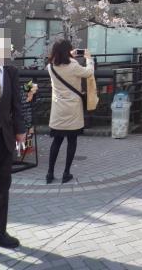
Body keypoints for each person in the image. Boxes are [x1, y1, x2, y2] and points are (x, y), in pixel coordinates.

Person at [0, 29, 26, 249]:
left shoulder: (10, 72)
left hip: (5, 139)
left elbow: (16, 104)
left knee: (3, 187)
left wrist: (21, 130)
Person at [46, 40, 94, 184]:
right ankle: (66, 173)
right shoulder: (73, 65)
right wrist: (89, 59)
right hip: (72, 109)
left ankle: (49, 173)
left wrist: (69, 55)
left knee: (56, 141)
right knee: (72, 141)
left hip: (58, 109)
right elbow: (89, 72)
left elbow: (62, 63)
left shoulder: (50, 67)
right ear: (68, 50)